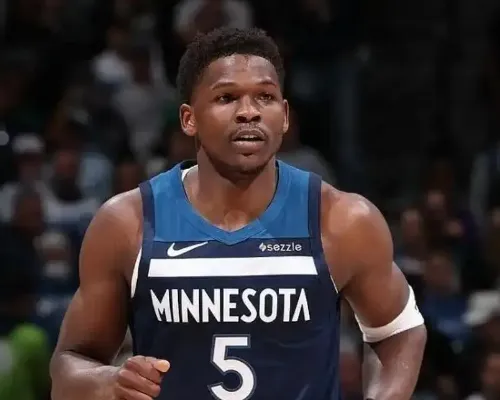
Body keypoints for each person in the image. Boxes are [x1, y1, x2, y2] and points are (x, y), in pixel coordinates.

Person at [50, 27, 427, 400]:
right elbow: (69, 366)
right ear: (189, 119)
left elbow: (398, 329)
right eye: (227, 97)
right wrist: (109, 382)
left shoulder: (342, 220)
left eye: (265, 97)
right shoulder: (127, 223)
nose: (249, 112)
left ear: (284, 116)